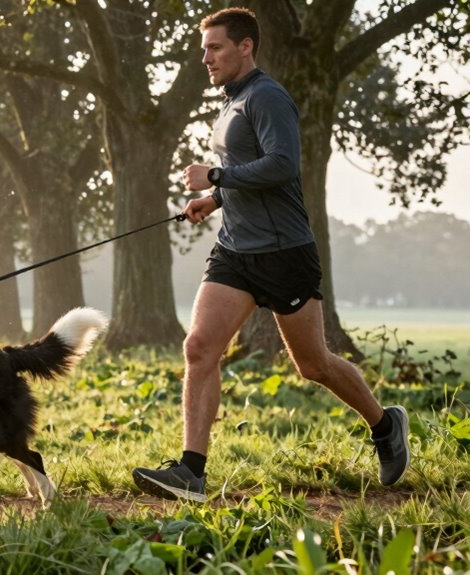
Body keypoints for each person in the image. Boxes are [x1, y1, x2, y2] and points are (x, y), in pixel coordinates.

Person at [131, 7, 410, 502]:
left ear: (245, 46)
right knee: (199, 348)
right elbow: (248, 168)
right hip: (234, 251)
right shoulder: (231, 102)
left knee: (314, 365)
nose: (206, 58)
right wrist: (215, 199)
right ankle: (192, 472)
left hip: (283, 253)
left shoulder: (268, 97)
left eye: (215, 47)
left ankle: (385, 425)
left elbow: (282, 165)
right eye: (204, 49)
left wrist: (216, 176)